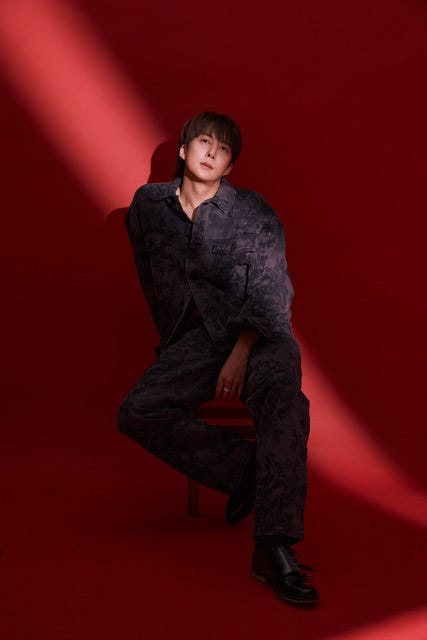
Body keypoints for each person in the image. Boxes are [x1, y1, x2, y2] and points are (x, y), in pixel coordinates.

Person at [118, 111, 319, 607]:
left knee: (285, 402)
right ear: (183, 150)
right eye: (204, 141)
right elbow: (149, 273)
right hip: (196, 340)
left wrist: (240, 352)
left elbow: (273, 293)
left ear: (229, 166)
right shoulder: (148, 207)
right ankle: (249, 473)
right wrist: (173, 338)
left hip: (258, 334)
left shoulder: (253, 212)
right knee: (137, 410)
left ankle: (273, 547)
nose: (212, 152)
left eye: (223, 149)